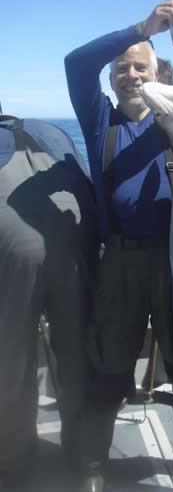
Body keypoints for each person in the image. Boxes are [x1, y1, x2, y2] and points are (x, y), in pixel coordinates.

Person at [64, 0, 173, 491]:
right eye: (123, 68)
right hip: (120, 266)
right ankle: (92, 465)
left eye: (142, 66)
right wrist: (142, 28)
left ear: (160, 76)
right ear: (112, 78)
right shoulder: (98, 120)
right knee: (109, 369)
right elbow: (76, 62)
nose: (131, 74)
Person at [0, 116, 98, 486]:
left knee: (12, 356)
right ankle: (81, 452)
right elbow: (88, 188)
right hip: (73, 243)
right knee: (75, 351)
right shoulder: (53, 132)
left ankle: (13, 460)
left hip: (13, 249)